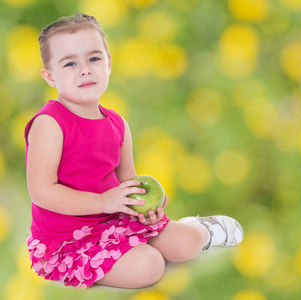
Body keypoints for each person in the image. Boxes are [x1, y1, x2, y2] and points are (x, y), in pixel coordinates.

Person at [25, 13, 243, 289]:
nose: (85, 69)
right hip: (68, 241)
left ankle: (203, 229)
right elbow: (42, 192)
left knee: (186, 243)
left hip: (114, 223)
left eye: (94, 58)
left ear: (108, 63)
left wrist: (141, 210)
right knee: (149, 266)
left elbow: (128, 183)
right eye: (70, 63)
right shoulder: (50, 123)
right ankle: (133, 254)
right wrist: (103, 202)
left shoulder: (117, 124)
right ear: (49, 76)